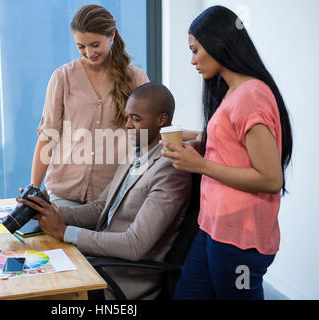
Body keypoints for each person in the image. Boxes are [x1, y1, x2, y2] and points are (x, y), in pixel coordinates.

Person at [161, 6, 293, 300]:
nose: (192, 60)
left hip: (239, 239)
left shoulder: (252, 95)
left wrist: (201, 165)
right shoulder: (234, 91)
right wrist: (195, 139)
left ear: (218, 43)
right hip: (214, 227)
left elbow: (270, 178)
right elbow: (232, 143)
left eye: (196, 50)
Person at [18, 83, 192, 300]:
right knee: (22, 275)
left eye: (136, 119)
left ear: (161, 120)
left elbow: (135, 244)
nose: (127, 125)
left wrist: (65, 232)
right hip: (97, 265)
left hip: (120, 282)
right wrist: (49, 211)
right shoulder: (136, 155)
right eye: (127, 117)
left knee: (31, 294)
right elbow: (101, 208)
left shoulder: (170, 172)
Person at [31, 4, 149, 207]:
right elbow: (48, 136)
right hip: (64, 192)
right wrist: (33, 188)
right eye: (81, 46)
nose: (89, 52)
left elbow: (149, 135)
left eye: (95, 45)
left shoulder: (135, 79)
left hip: (114, 195)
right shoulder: (63, 77)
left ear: (111, 35)